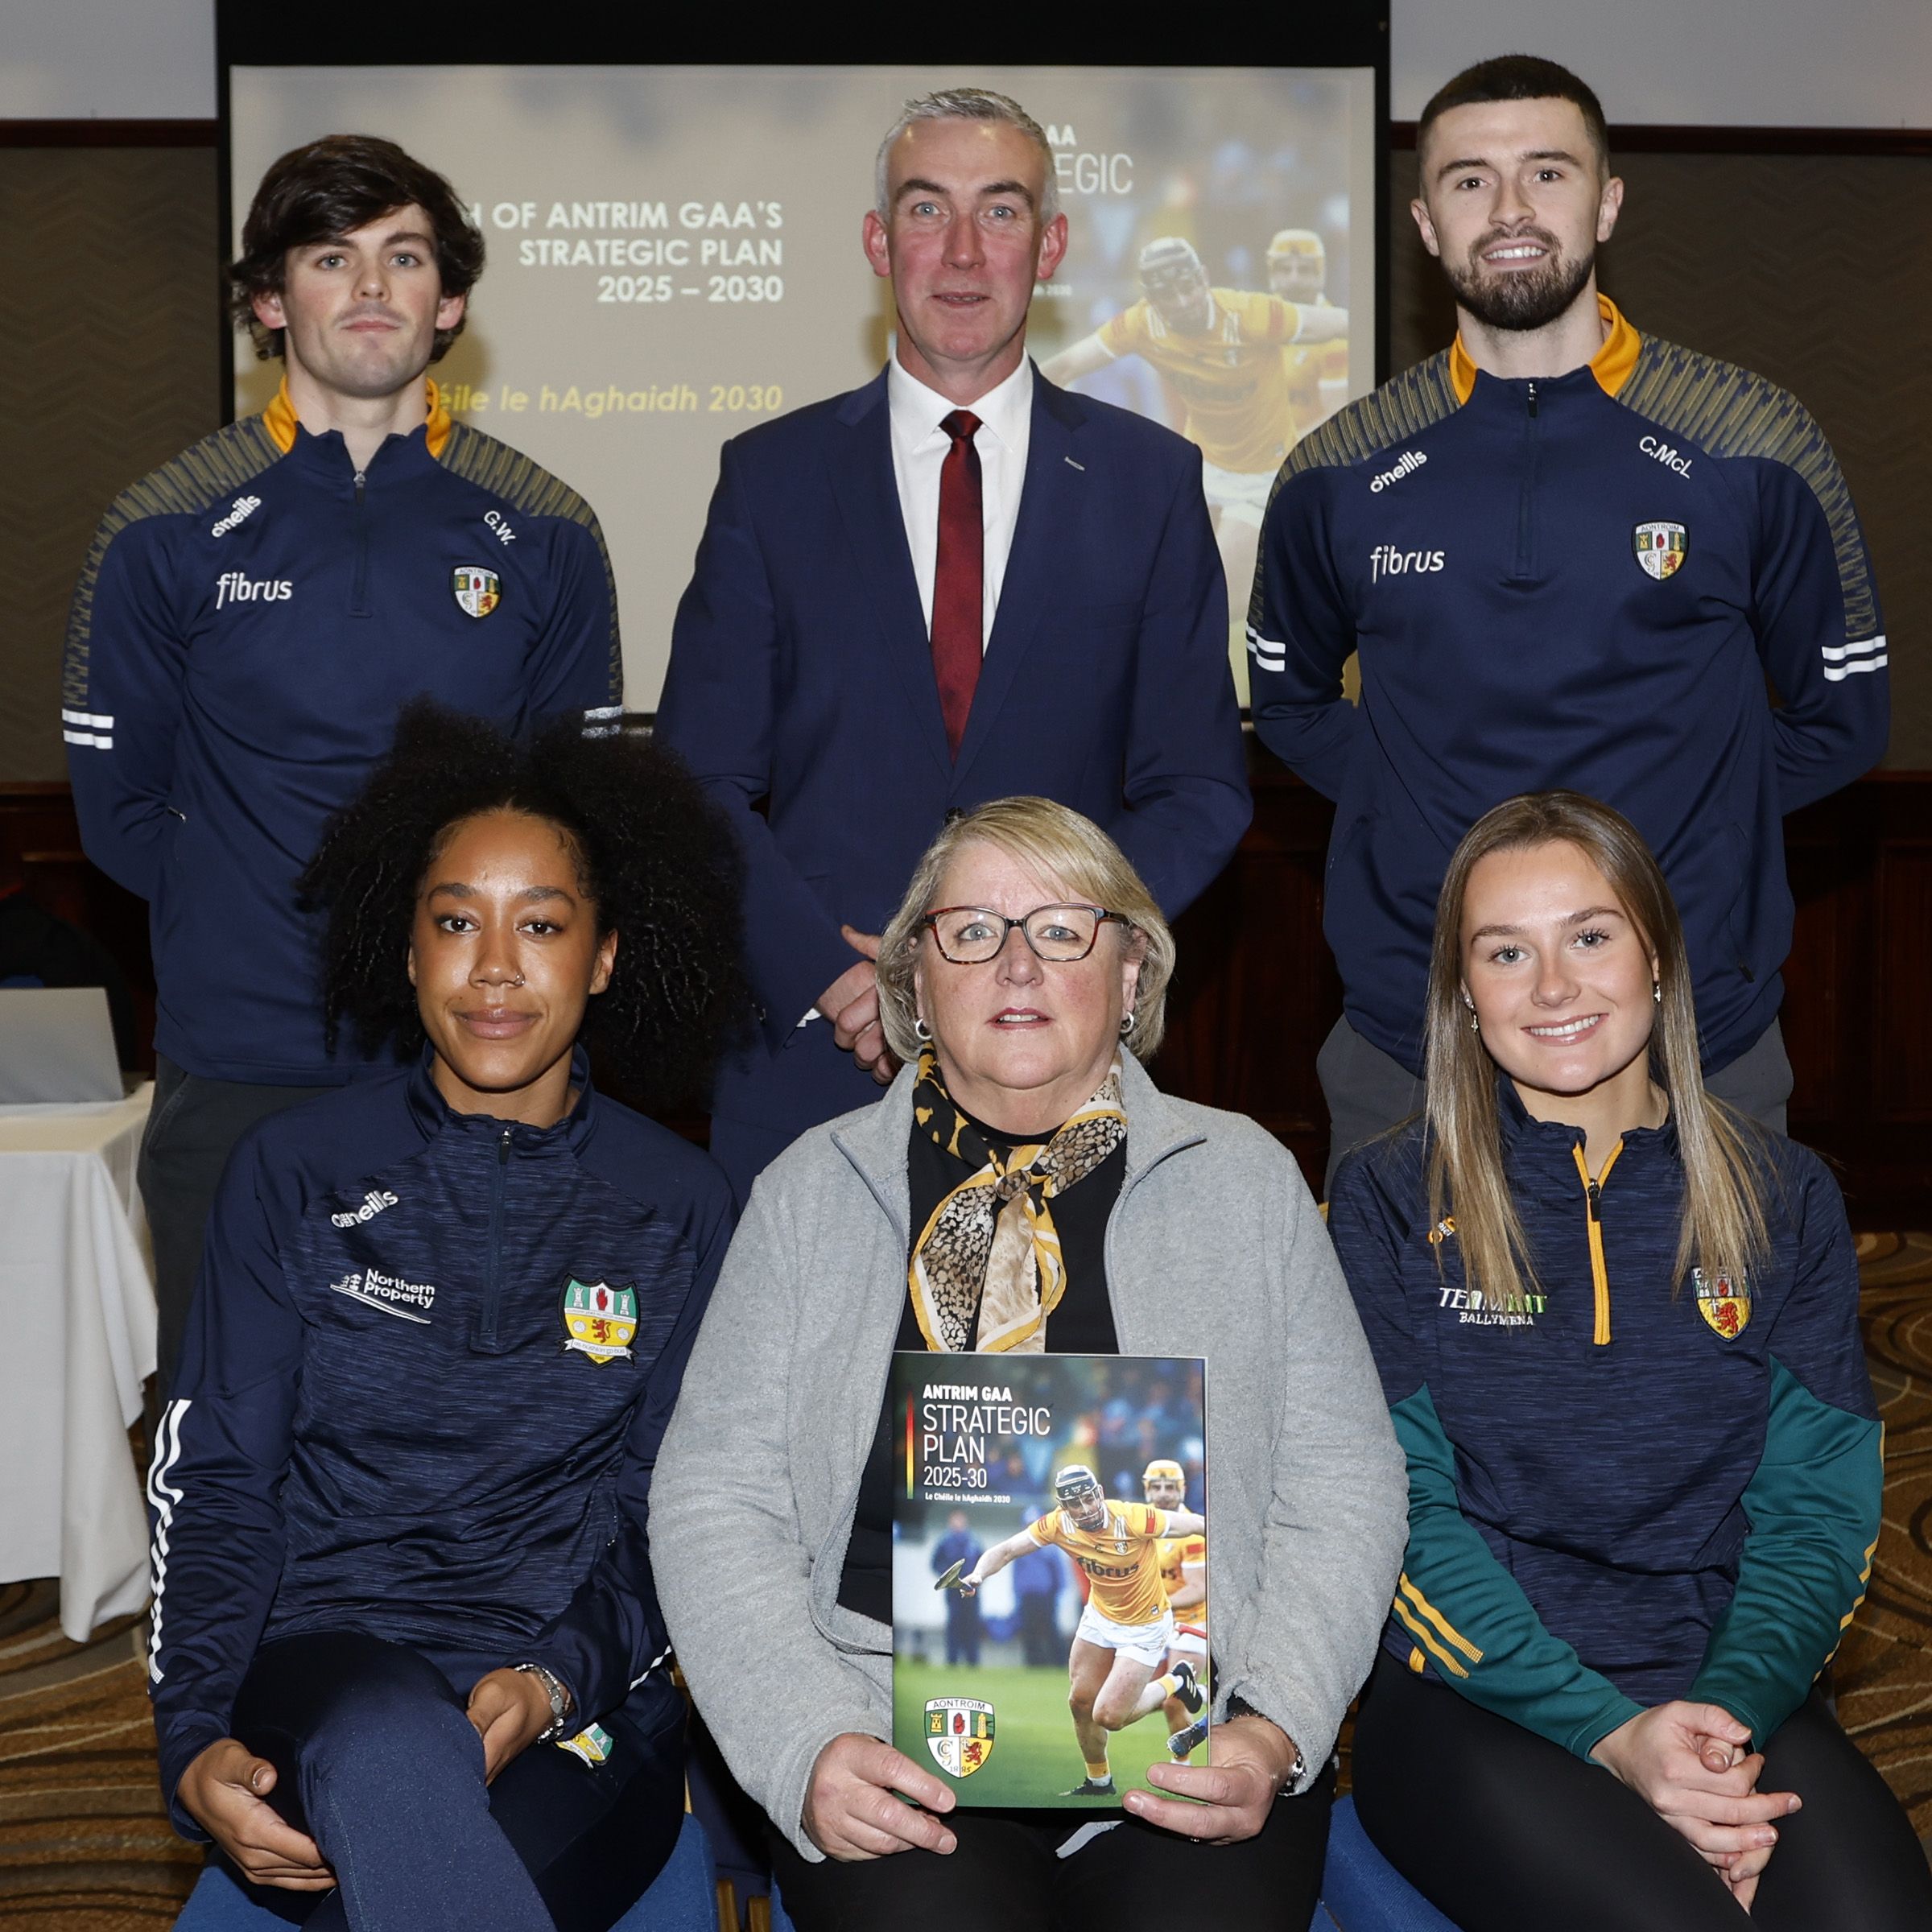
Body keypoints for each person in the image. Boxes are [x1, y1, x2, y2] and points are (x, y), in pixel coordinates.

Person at [652, 796, 1404, 1932]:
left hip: (1191, 1736)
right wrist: (808, 1739)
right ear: (913, 981)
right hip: (889, 1734)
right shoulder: (808, 1194)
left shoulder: (1246, 1181)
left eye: (1062, 928)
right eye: (971, 931)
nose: (1015, 963)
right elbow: (715, 1500)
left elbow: (1345, 1488)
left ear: (1133, 971)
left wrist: (1275, 1726)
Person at [145, 705, 747, 1931]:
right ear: (407, 949)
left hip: (570, 1696)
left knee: (470, 1869)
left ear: (607, 957)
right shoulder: (293, 1171)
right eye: (456, 921)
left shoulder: (679, 1204)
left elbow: (670, 1512)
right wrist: (193, 1737)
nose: (493, 968)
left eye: (541, 926)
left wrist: (552, 1678)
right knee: (385, 1752)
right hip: (326, 1670)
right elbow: (216, 1484)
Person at [1245, 55, 1888, 1187]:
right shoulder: (1337, 469)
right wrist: (1426, 809)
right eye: (1469, 181)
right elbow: (1292, 703)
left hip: (1698, 1042)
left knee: (1723, 1367)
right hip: (1414, 1047)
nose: (1509, 212)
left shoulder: (1752, 443)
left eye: (1546, 173)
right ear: (1424, 222)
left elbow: (1842, 722)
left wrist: (1678, 816)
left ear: (1607, 200)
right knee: (1403, 1373)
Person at [62, 134, 622, 1408]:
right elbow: (121, 818)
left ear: (451, 302)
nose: (372, 288)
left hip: (472, 1062)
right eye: (332, 257)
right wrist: (255, 929)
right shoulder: (158, 530)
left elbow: (571, 829)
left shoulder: (546, 530)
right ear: (272, 300)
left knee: (469, 1427)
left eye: (404, 257)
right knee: (230, 1431)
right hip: (239, 1070)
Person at [1327, 791, 1931, 1931]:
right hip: (1478, 1695)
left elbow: (1818, 1516)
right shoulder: (1387, 1198)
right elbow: (1400, 1517)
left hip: (1720, 1673)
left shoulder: (1785, 1197)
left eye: (1590, 937)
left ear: (1657, 957)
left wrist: (1718, 1721)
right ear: (1465, 992)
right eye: (1508, 952)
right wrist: (1614, 1737)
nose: (1553, 988)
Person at [655, 89, 1250, 1203]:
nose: (965, 252)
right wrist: (844, 979)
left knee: (1057, 1379)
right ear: (880, 242)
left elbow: (1199, 789)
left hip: (1059, 1055)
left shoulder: (1149, 483)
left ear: (1053, 244)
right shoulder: (770, 479)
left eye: (1003, 211)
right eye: (928, 211)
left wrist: (1069, 951)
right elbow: (698, 783)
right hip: (817, 1059)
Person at [1042, 236, 1349, 669]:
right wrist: (1004, 400)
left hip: (1260, 479)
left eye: (1190, 287)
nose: (1184, 302)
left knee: (1214, 605)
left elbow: (1343, 324)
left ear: (1203, 279)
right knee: (1154, 588)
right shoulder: (1142, 324)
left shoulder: (1249, 315)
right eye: (1169, 296)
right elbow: (1066, 365)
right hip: (1200, 473)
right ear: (1151, 299)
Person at [949, 1463, 1207, 1795]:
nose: (1085, 1509)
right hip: (1100, 1618)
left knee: (1110, 1716)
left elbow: (1196, 1525)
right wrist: (977, 1575)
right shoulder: (1058, 1524)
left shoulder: (1132, 1517)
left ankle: (1176, 1679)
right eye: (1075, 1503)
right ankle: (1099, 1781)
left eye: (1089, 1499)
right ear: (1063, 1506)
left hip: (1145, 1626)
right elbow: (1007, 1550)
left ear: (1100, 1493)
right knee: (1080, 1702)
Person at [1141, 1456, 1211, 1759]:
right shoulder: (1139, 1528)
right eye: (1156, 1486)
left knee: (1174, 1699)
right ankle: (1214, 1696)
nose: (1164, 1493)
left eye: (1171, 1486)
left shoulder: (1193, 1530)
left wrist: (1156, 1606)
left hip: (1192, 1622)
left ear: (1182, 1489)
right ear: (1147, 1490)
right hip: (1154, 1623)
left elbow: (1198, 1588)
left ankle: (1181, 1765)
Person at [1265, 229, 1350, 439]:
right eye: (1284, 269)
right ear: (1271, 273)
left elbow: (1336, 418)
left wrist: (1284, 451)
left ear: (1320, 274)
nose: (1294, 279)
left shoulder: (1336, 337)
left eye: (1304, 270)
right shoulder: (1258, 321)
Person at [930, 1510, 985, 1666]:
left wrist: (977, 1580)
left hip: (971, 1591)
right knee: (954, 1625)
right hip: (953, 1591)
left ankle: (972, 1661)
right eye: (955, 1521)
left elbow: (984, 1564)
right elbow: (935, 1563)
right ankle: (952, 1660)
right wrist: (947, 1577)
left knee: (972, 1625)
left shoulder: (974, 1541)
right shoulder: (945, 1542)